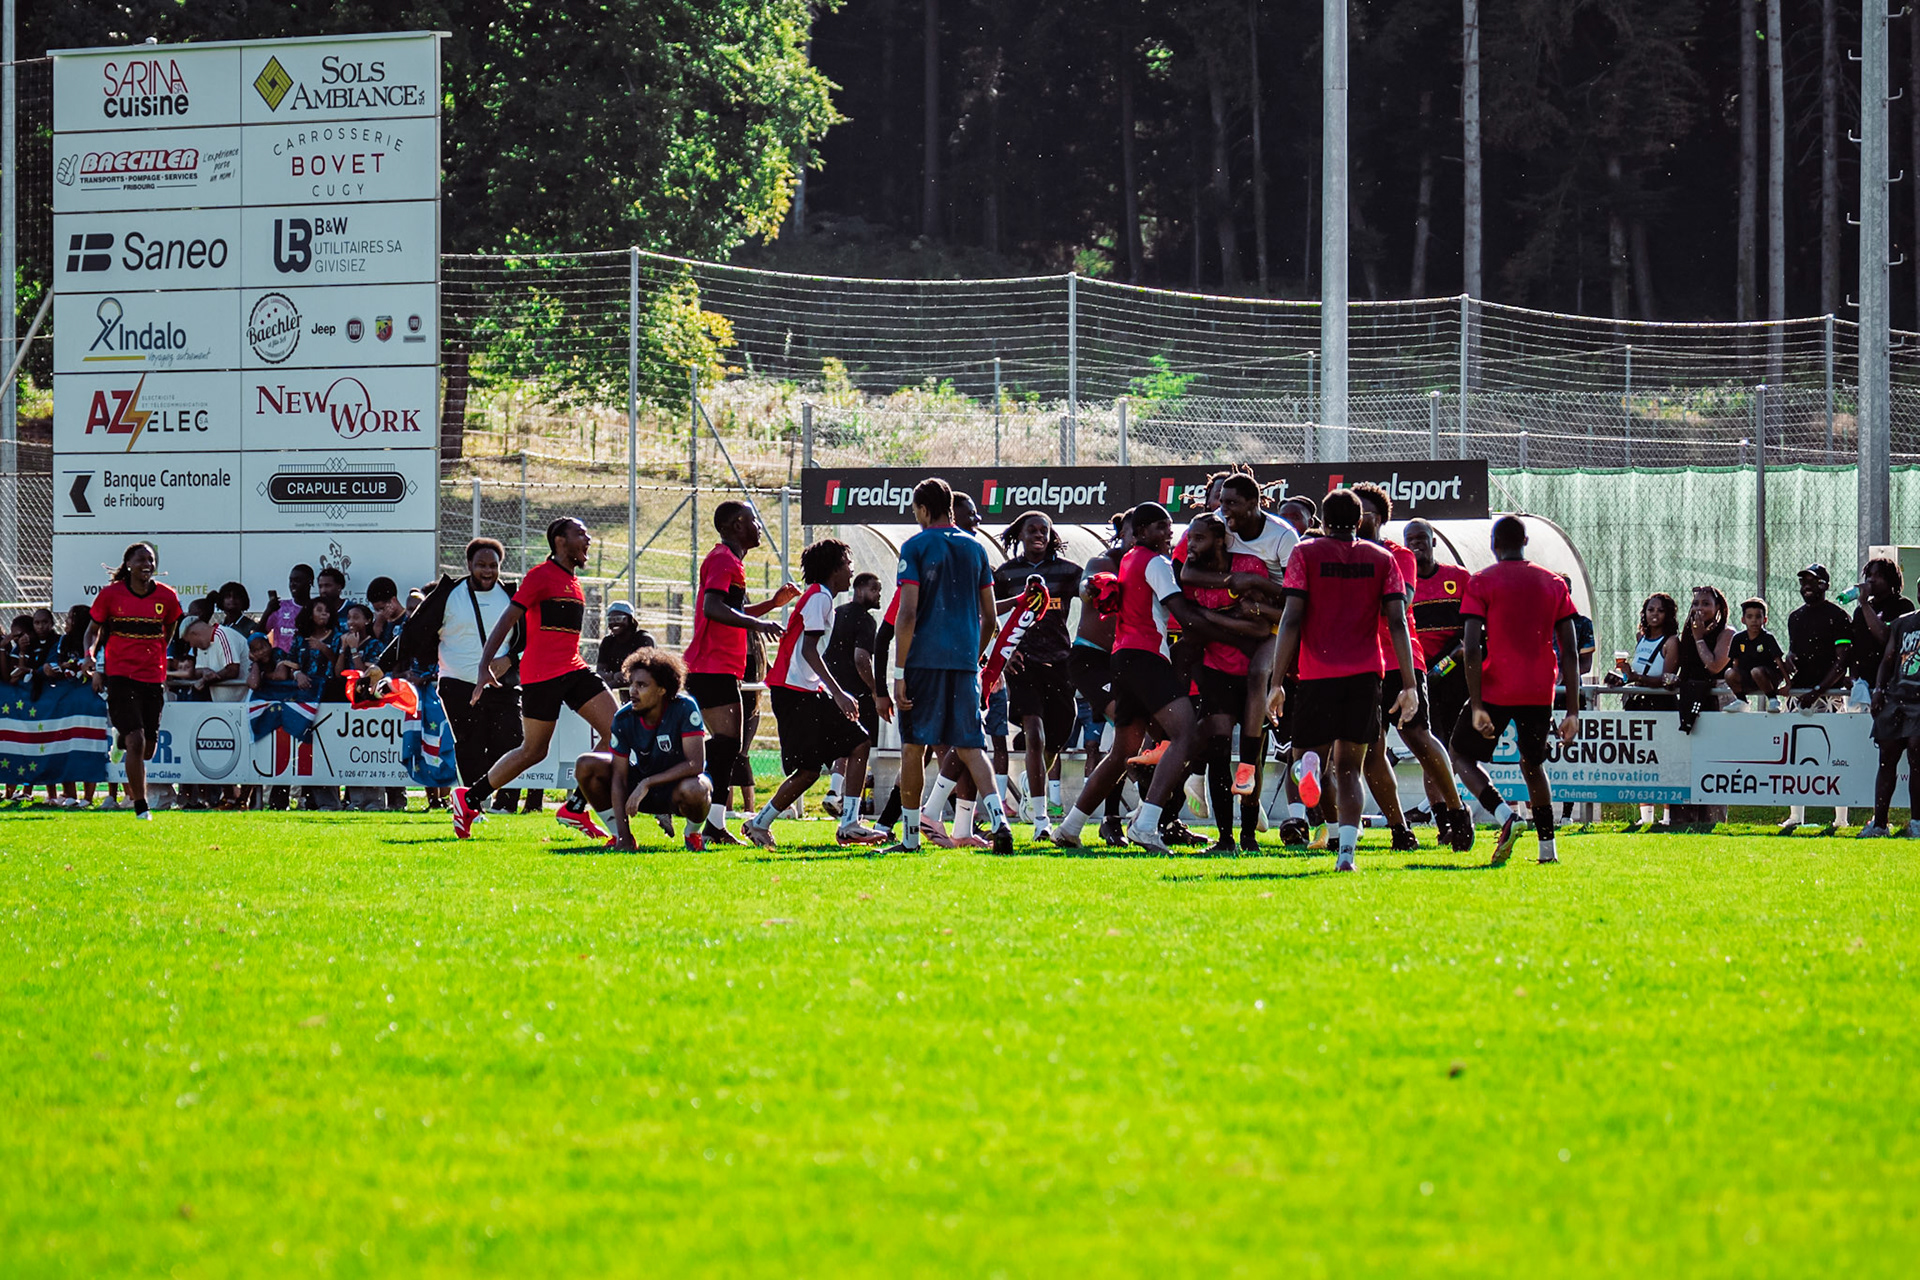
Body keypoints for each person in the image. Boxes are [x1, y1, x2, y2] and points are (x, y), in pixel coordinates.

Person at [1268, 489, 1418, 872]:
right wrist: (1409, 684)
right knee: (1351, 769)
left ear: (1322, 519)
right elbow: (1398, 621)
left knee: (1305, 756)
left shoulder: (1305, 553)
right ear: (1359, 520)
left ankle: (1308, 769)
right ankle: (1346, 855)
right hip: (1366, 675)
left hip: (1317, 674)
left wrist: (1276, 681)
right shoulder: (1382, 558)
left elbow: (1291, 617)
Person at [453, 518, 622, 840]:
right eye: (581, 534)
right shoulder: (540, 576)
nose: (588, 539)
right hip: (542, 675)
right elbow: (506, 621)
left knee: (619, 731)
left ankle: (575, 807)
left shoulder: (573, 582)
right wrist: (484, 665)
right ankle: (470, 798)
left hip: (574, 668)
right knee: (533, 751)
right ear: (560, 541)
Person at [1055, 501, 1207, 854]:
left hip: (1122, 658)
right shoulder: (1155, 562)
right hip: (1145, 657)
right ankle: (1145, 824)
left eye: (1170, 527)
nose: (1169, 533)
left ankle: (1070, 827)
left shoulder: (1128, 560)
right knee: (1186, 733)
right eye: (1160, 527)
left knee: (1123, 750)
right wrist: (1223, 629)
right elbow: (1179, 610)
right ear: (1139, 532)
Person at [887, 477, 1016, 855]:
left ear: (924, 509)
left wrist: (899, 673)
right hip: (963, 664)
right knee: (972, 746)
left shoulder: (916, 546)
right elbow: (990, 617)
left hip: (923, 663)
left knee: (913, 747)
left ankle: (910, 839)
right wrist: (973, 657)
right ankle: (1001, 822)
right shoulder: (975, 548)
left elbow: (907, 614)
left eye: (916, 511)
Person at [1446, 516, 1581, 866]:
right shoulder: (1553, 582)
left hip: (1496, 687)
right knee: (1533, 764)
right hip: (1539, 689)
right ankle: (1547, 851)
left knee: (1460, 753)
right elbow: (1570, 649)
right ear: (1525, 541)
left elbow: (1471, 646)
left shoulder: (1482, 581)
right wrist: (1573, 711)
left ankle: (1505, 814)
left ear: (1494, 544)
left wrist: (1477, 705)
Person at [1354, 482, 1471, 852]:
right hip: (1360, 663)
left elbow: (1398, 605)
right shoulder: (1340, 555)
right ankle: (1399, 829)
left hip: (1402, 661)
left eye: (1362, 512)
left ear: (1378, 518)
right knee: (1371, 749)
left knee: (1418, 737)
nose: (1355, 518)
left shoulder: (1398, 556)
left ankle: (1456, 811)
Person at [744, 539, 884, 847]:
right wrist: (838, 693)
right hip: (793, 693)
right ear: (834, 569)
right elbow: (809, 651)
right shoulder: (819, 597)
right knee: (809, 770)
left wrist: (828, 690)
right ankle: (759, 823)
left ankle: (849, 823)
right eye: (847, 564)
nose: (852, 571)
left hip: (804, 690)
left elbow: (805, 652)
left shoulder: (822, 597)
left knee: (858, 742)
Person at [682, 501, 799, 844]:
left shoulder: (730, 561)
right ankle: (676, 780)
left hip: (718, 667)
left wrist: (771, 606)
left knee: (728, 746)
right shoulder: (722, 559)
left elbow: (731, 608)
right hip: (710, 666)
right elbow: (713, 607)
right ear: (736, 525)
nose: (758, 526)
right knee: (726, 745)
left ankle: (714, 825)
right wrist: (759, 624)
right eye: (753, 520)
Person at [1177, 473, 1293, 812]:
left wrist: (1254, 585)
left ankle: (1248, 764)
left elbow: (1296, 597)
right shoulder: (1219, 526)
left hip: (1277, 616)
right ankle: (1176, 749)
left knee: (1258, 673)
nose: (1222, 508)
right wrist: (1232, 582)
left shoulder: (1283, 536)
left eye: (1231, 503)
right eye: (1221, 501)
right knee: (1185, 652)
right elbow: (1188, 573)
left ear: (1253, 504)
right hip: (1241, 614)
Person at [993, 511, 1084, 839]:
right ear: (1019, 534)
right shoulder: (1006, 574)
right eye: (1031, 529)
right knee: (1034, 732)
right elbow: (986, 612)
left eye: (1044, 530)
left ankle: (1032, 781)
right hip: (1023, 663)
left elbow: (1095, 597)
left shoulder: (1068, 571)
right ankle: (1041, 821)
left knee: (1059, 735)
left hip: (1060, 663)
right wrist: (1002, 651)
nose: (1038, 535)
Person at [574, 647, 714, 852]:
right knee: (586, 764)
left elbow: (695, 764)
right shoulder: (623, 717)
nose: (633, 691)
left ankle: (692, 834)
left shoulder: (684, 708)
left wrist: (647, 782)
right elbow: (619, 777)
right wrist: (623, 835)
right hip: (641, 791)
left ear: (662, 689)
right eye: (631, 683)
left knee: (696, 788)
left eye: (641, 685)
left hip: (677, 790)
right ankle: (619, 836)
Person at [85, 542, 183, 821]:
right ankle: (141, 806)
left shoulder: (167, 596)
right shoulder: (110, 595)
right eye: (141, 559)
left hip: (152, 676)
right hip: (120, 675)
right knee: (137, 741)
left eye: (150, 560)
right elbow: (92, 631)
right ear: (128, 564)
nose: (147, 565)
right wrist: (89, 656)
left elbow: (169, 629)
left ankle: (121, 740)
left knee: (148, 749)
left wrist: (156, 653)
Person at [1068, 511, 1131, 845]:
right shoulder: (1103, 561)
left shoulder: (1153, 564)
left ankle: (1120, 819)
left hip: (1127, 660)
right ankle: (1108, 819)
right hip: (1091, 659)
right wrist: (1092, 587)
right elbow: (1086, 585)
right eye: (1135, 531)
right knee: (1126, 729)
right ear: (1123, 533)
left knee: (1132, 740)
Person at [821, 571, 883, 821]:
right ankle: (850, 810)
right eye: (874, 589)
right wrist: (875, 689)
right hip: (855, 693)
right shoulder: (865, 621)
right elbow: (861, 658)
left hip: (833, 690)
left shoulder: (837, 613)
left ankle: (835, 791)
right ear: (859, 590)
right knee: (860, 745)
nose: (878, 595)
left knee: (844, 744)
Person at [1405, 518, 1471, 744]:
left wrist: (1455, 657)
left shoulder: (1459, 577)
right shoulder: (1402, 582)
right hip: (1420, 671)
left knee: (1457, 738)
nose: (1416, 543)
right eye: (1410, 539)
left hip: (1456, 669)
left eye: (1421, 538)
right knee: (1430, 736)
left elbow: (1473, 625)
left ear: (1433, 541)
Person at [1864, 605, 1920, 837]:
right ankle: (1879, 824)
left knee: (1917, 755)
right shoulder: (1902, 623)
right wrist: (1878, 690)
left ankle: (1916, 822)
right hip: (1897, 697)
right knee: (1886, 757)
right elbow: (1888, 660)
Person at [1846, 557, 1915, 710]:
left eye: (1878, 575)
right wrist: (1854, 677)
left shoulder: (1902, 606)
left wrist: (1864, 604)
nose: (1871, 580)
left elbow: (1885, 638)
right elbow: (1854, 648)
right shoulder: (1860, 611)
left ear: (1890, 579)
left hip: (1891, 685)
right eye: (1869, 575)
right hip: (1864, 685)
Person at [1785, 564, 1851, 711]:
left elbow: (1842, 661)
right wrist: (1789, 658)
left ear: (1825, 586)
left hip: (1829, 695)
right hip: (1799, 693)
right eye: (1803, 581)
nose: (1807, 586)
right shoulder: (1795, 617)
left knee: (1829, 728)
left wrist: (1818, 691)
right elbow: (1794, 651)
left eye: (1813, 582)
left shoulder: (1838, 616)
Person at [1673, 585, 1734, 733]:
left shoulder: (1727, 633)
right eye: (1695, 604)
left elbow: (1714, 666)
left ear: (1717, 607)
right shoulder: (1689, 632)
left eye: (1706, 604)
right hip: (1693, 699)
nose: (1699, 608)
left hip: (1720, 701)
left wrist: (1699, 639)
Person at [1726, 598, 1789, 710]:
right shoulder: (1738, 638)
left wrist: (1788, 683)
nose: (1754, 620)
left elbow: (1779, 661)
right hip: (1749, 677)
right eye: (1749, 617)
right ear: (1743, 620)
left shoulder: (1768, 638)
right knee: (1729, 673)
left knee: (1756, 671)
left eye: (1758, 617)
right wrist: (1735, 679)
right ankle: (1741, 701)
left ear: (1765, 620)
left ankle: (1773, 700)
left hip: (1768, 677)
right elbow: (1735, 663)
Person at [594, 601, 654, 691]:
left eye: (619, 619)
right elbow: (600, 672)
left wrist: (611, 683)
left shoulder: (643, 639)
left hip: (645, 689)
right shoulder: (608, 642)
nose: (614, 623)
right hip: (619, 685)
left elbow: (641, 673)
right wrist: (614, 676)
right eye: (610, 620)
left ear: (631, 620)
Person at [259, 564, 312, 653]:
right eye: (291, 581)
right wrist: (268, 611)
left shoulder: (316, 608)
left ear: (309, 582)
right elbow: (259, 633)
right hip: (280, 659)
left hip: (306, 659)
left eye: (297, 580)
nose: (292, 584)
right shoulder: (280, 606)